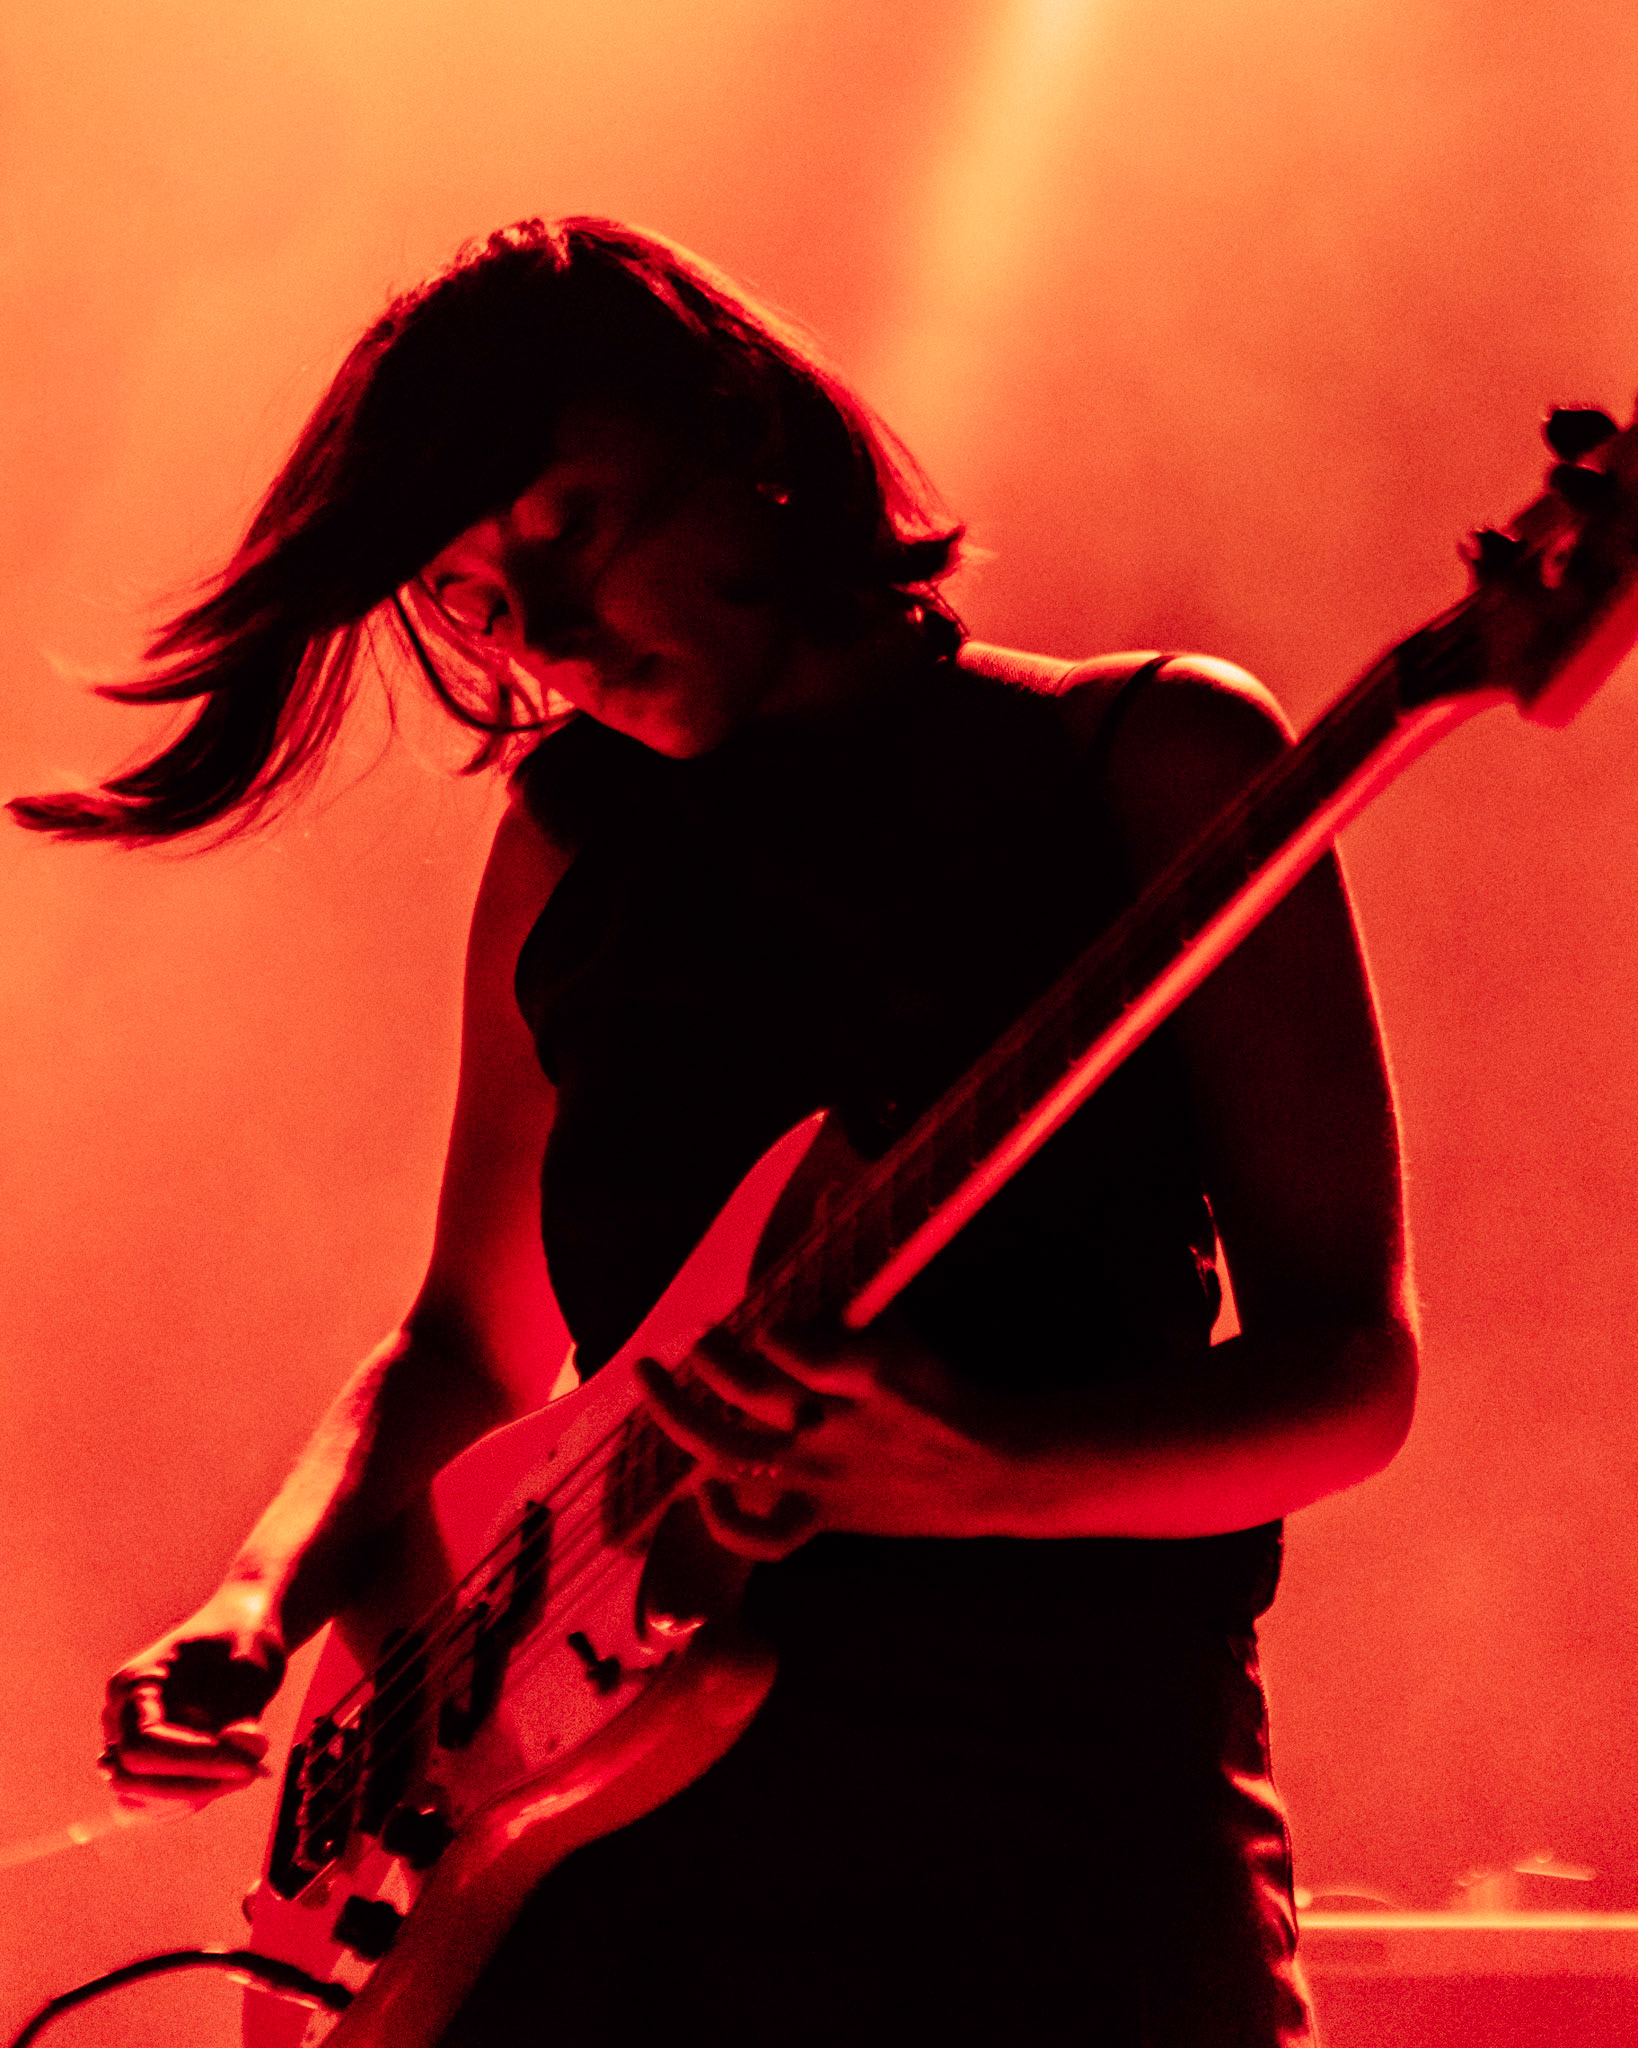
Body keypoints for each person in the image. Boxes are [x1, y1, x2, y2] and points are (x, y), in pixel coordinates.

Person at [15, 218, 1417, 2045]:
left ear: (745, 436)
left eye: (563, 528)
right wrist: (257, 1608)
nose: (543, 633)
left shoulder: (1144, 764)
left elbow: (1353, 1376)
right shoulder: (568, 851)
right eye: (465, 593)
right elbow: (466, 1340)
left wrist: (1006, 1470)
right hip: (595, 1869)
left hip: (1064, 1840)